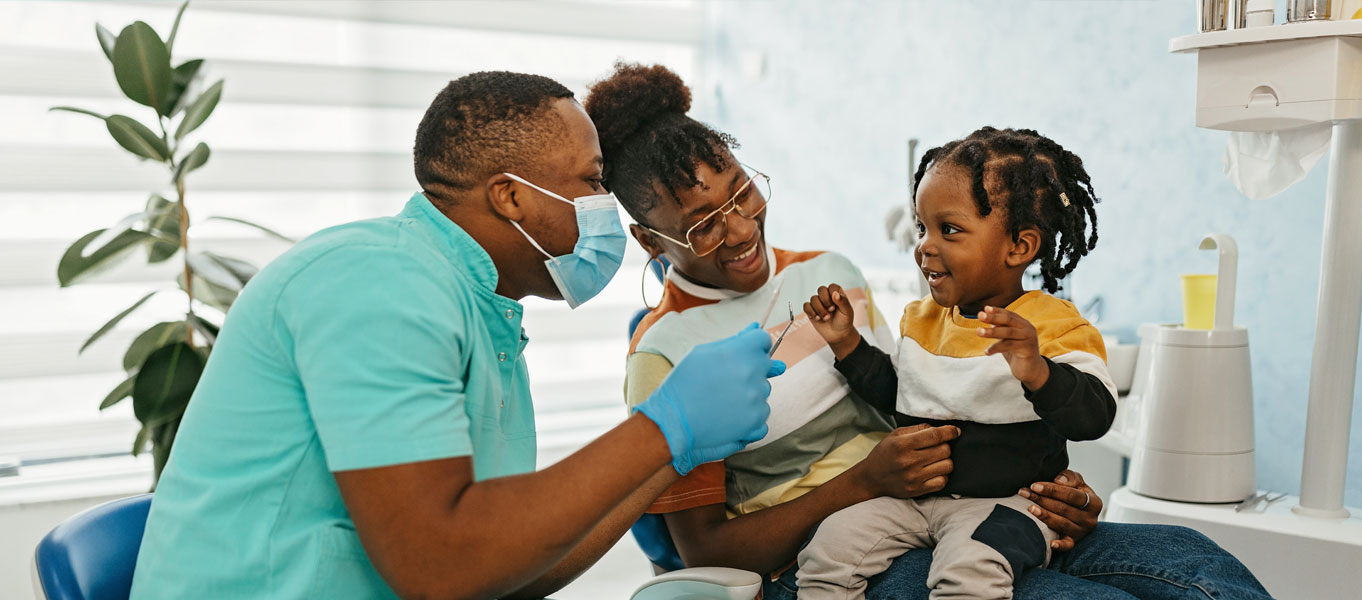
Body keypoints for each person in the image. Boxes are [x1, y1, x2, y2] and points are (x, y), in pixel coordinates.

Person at [587, 62, 1273, 600]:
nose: (739, 229)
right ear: (651, 240)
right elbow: (707, 552)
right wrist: (862, 483)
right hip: (825, 557)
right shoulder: (663, 354)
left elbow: (917, 395)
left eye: (740, 192)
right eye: (702, 222)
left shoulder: (832, 273)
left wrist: (1049, 482)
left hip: (949, 500)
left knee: (1198, 570)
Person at [129, 71, 783, 599]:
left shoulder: (478, 312)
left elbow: (504, 566)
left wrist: (674, 450)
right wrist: (662, 427)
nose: (604, 209)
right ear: (510, 197)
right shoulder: (377, 282)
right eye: (589, 182)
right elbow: (441, 564)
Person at [795, 127, 1118, 599]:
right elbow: (897, 393)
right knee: (828, 550)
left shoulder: (1052, 324)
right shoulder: (920, 318)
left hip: (1010, 504)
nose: (925, 244)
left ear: (1019, 247)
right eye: (922, 226)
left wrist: (1037, 370)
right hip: (914, 503)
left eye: (949, 230)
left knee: (969, 573)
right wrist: (847, 344)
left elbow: (1095, 416)